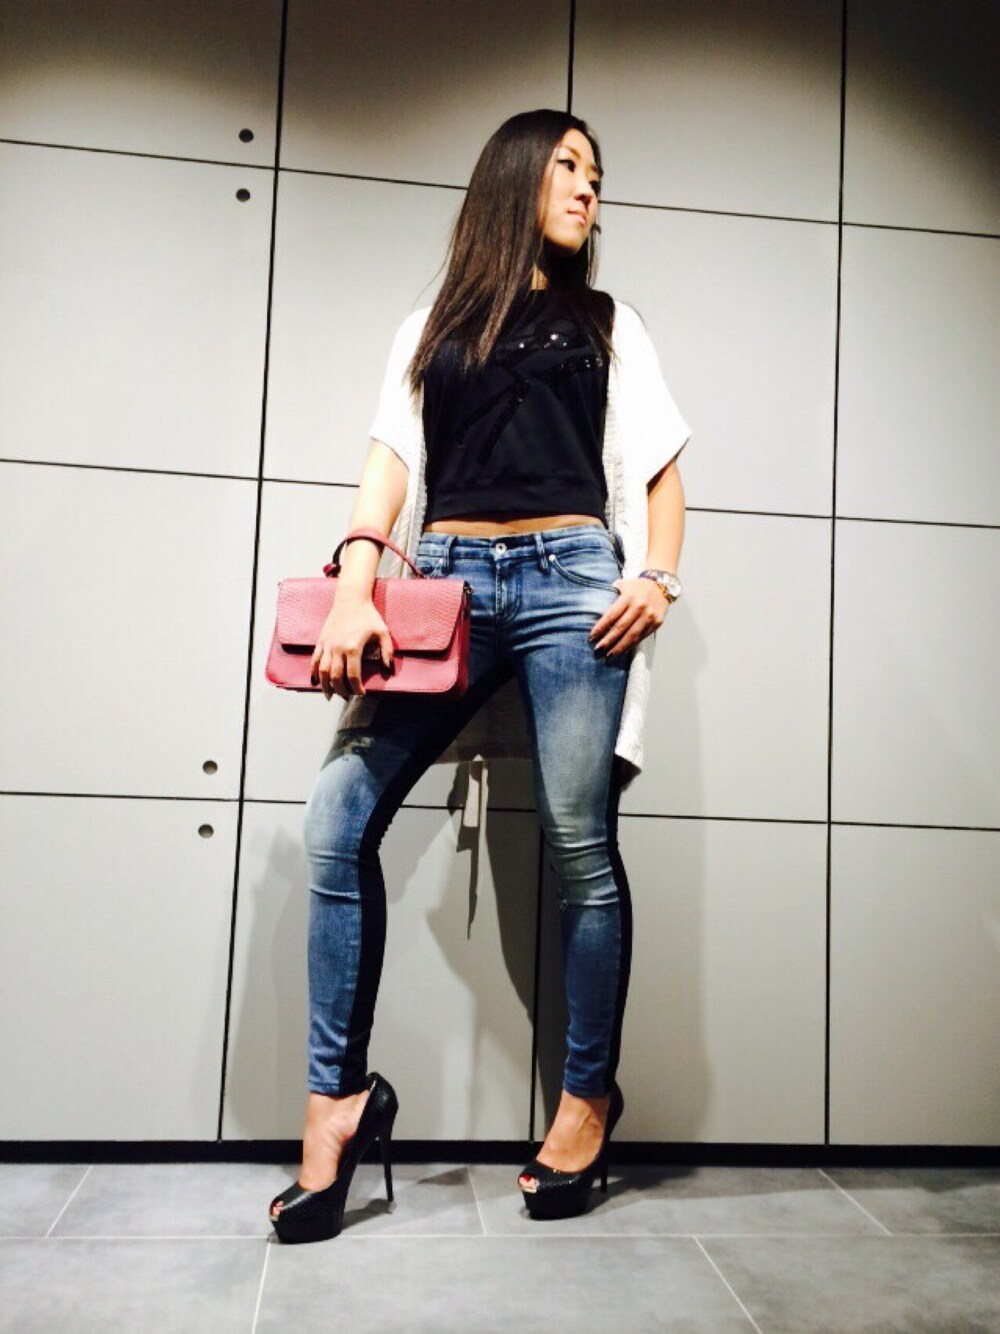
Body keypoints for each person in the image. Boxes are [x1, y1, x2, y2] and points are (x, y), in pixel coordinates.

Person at [269, 108, 691, 1243]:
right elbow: (387, 465)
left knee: (579, 844)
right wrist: (356, 582)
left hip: (570, 583)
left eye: (597, 174)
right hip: (444, 585)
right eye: (568, 166)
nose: (588, 188)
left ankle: (587, 1099)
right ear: (514, 176)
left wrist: (657, 577)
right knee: (336, 821)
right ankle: (337, 1101)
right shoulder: (433, 325)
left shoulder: (608, 323)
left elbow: (657, 469)